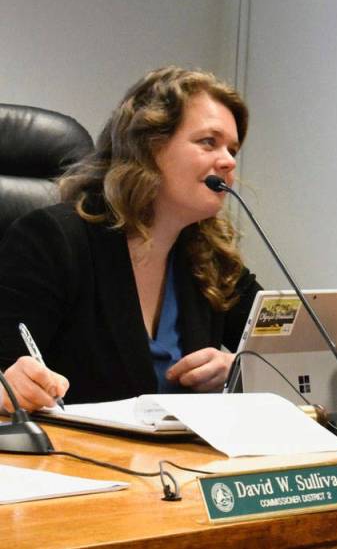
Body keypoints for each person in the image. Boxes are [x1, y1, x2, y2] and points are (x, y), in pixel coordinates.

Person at [0, 67, 260, 412]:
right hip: (78, 459)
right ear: (149, 147)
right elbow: (7, 374)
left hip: (186, 464)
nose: (228, 161)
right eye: (208, 142)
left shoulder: (209, 258)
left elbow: (289, 352)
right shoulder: (53, 241)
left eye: (233, 149)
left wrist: (241, 371)